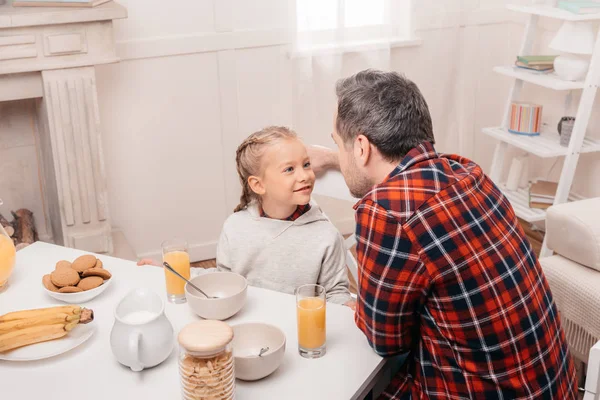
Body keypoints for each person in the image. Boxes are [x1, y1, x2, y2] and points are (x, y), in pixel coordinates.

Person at [308, 69, 577, 399]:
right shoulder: (467, 172)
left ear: (361, 147)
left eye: (339, 142)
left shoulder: (388, 210)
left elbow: (384, 340)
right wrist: (336, 157)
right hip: (551, 387)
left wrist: (365, 308)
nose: (340, 151)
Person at [140, 126, 353, 307]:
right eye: (289, 169)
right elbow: (223, 281)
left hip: (299, 331)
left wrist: (346, 305)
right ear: (258, 185)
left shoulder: (326, 236)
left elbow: (335, 293)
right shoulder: (235, 227)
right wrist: (170, 271)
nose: (305, 175)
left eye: (306, 164)